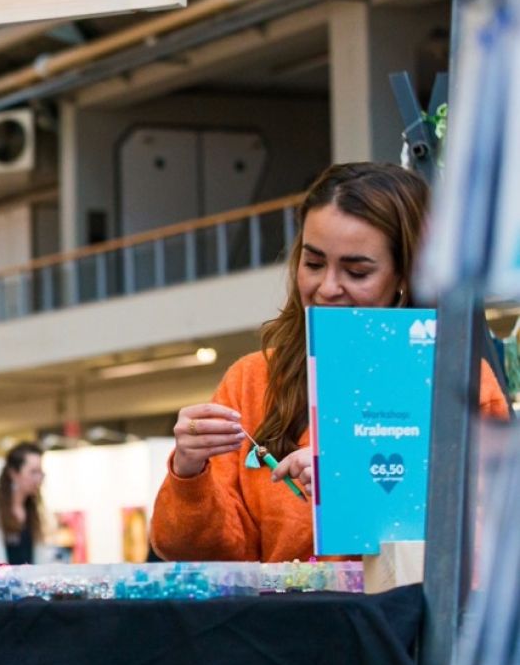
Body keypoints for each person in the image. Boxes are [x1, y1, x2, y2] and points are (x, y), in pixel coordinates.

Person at [152, 162, 508, 563]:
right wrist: (188, 471)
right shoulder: (252, 381)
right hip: (290, 624)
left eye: (357, 271)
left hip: (402, 623)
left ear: (405, 275)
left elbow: (490, 539)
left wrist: (352, 479)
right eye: (314, 263)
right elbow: (198, 553)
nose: (327, 288)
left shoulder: (454, 378)